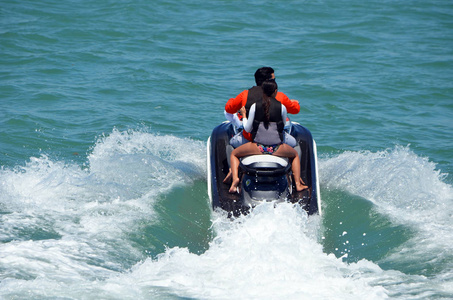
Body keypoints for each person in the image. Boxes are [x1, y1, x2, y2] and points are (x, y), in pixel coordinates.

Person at [228, 79, 307, 193]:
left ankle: (235, 179)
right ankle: (298, 184)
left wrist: (244, 116)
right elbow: (282, 126)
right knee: (294, 155)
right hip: (276, 148)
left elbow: (247, 128)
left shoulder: (255, 107)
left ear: (262, 92)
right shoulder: (282, 107)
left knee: (234, 154)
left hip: (258, 147)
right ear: (275, 92)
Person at [224, 67, 300, 148]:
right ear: (268, 81)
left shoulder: (245, 95)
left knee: (231, 144)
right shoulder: (279, 96)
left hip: (250, 139)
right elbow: (295, 110)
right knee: (295, 145)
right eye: (273, 80)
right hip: (276, 139)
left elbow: (229, 109)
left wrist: (232, 100)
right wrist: (295, 102)